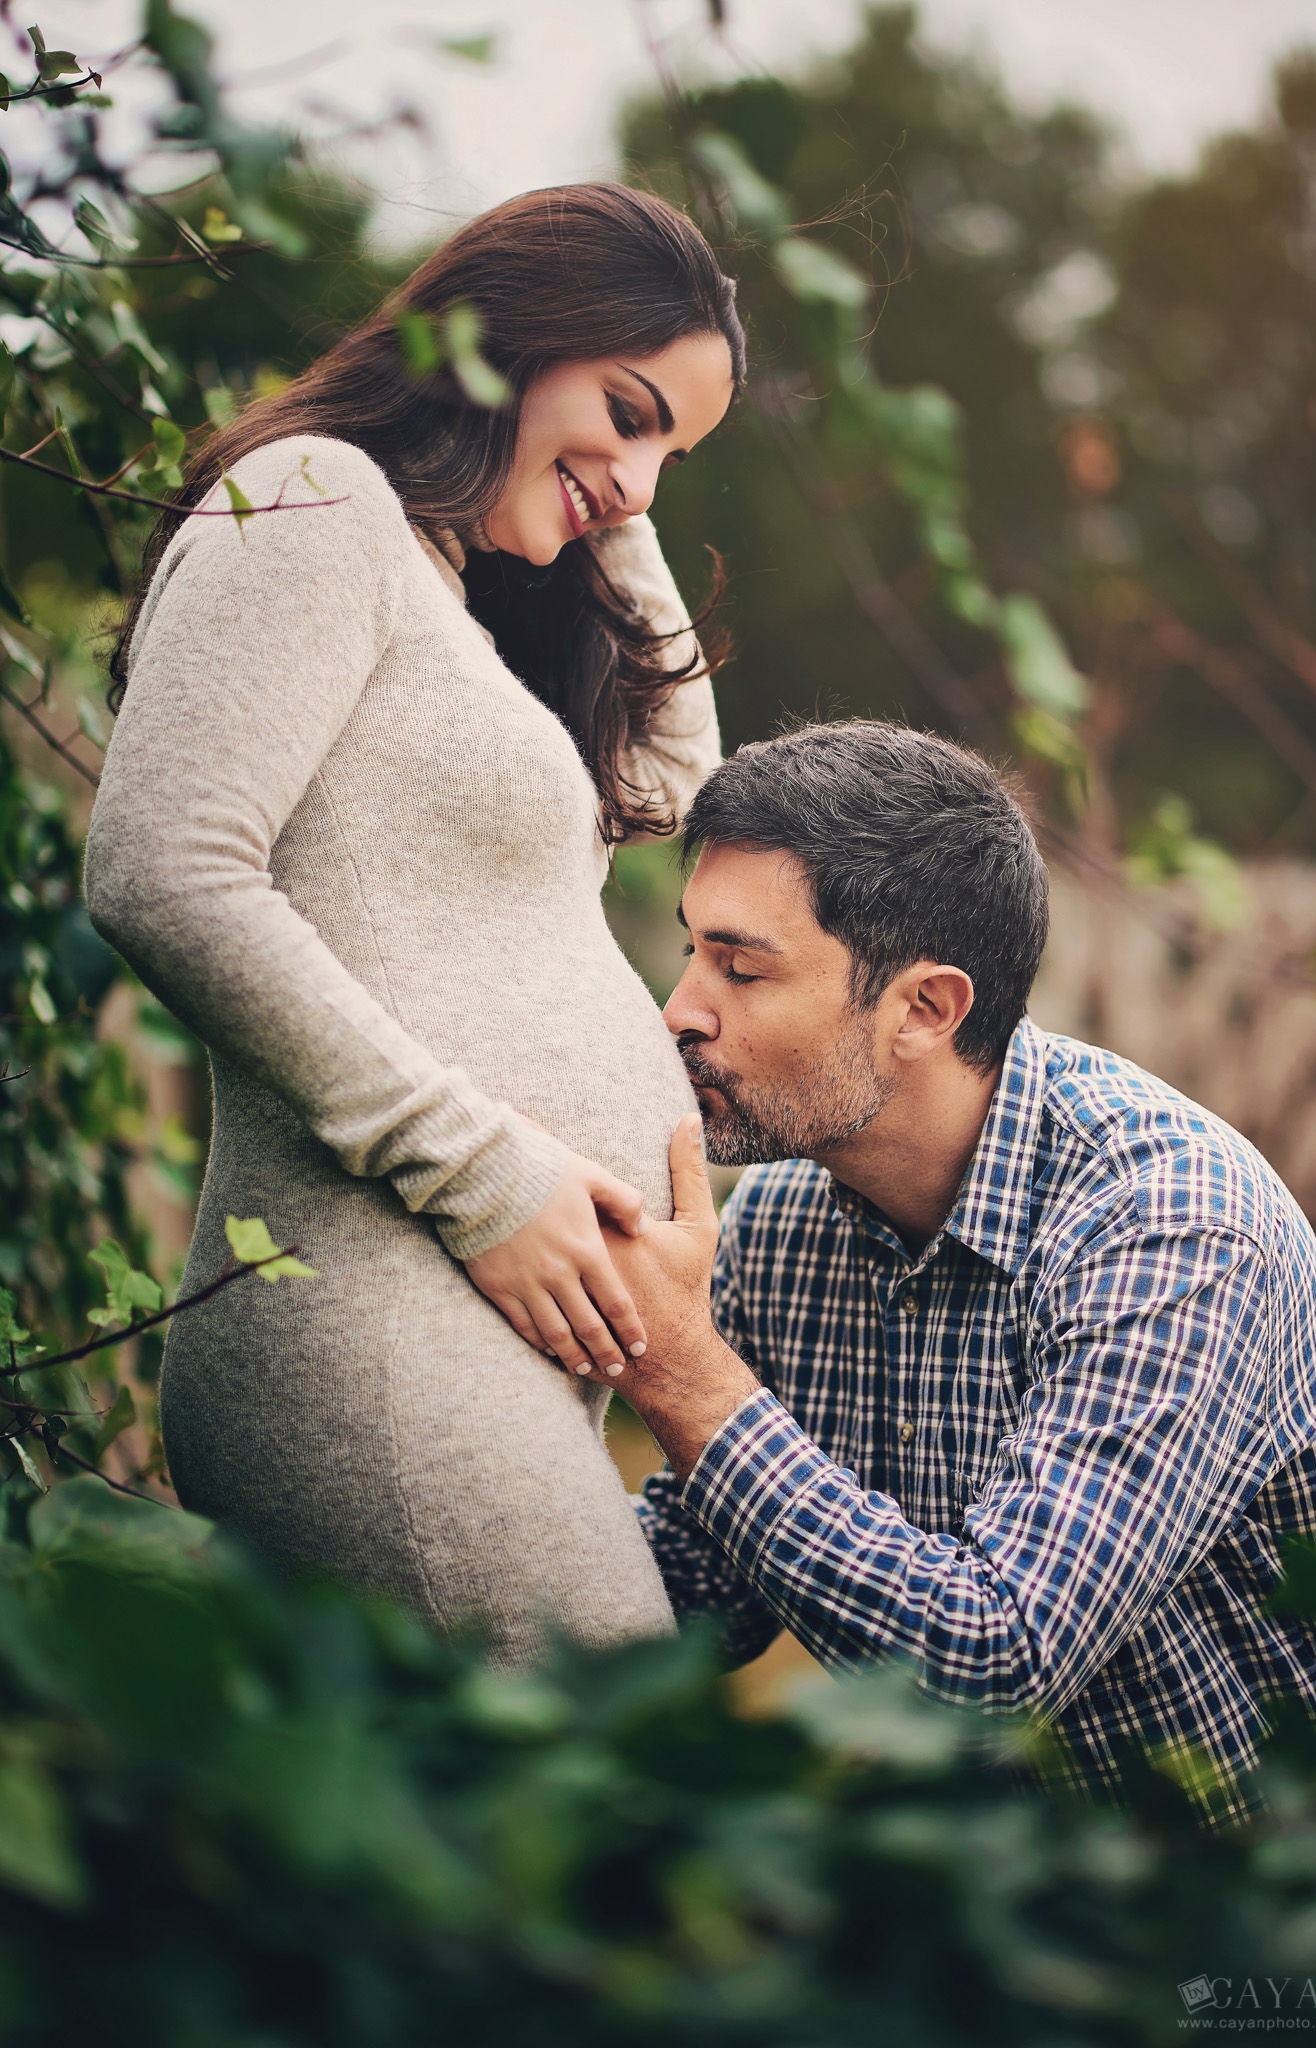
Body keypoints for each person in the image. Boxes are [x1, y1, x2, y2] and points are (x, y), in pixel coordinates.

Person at [83, 183, 741, 1662]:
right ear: (505, 338)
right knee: (611, 1811)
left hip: (464, 1338)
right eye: (626, 409)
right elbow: (160, 871)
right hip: (375, 1323)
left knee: (513, 1861)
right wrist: (481, 1174)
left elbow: (676, 780)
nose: (640, 477)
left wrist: (606, 497)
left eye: (673, 453)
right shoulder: (320, 500)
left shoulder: (452, 584)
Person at [577, 720, 1316, 1826]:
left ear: (925, 1009)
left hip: (1269, 1904)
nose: (681, 1010)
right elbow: (696, 1588)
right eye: (693, 951)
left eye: (742, 967)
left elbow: (991, 1666)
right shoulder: (784, 1226)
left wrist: (682, 1373)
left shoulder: (1171, 1228)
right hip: (993, 1913)